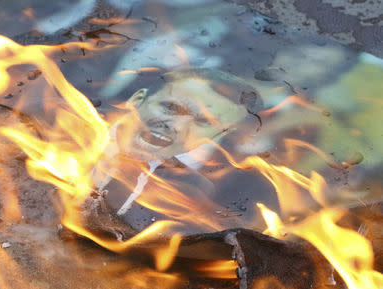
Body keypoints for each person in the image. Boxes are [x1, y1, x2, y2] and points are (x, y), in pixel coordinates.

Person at [90, 68, 279, 236]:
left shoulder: (190, 191)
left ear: (218, 135)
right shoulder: (70, 134)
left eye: (203, 122)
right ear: (137, 99)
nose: (178, 126)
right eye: (170, 107)